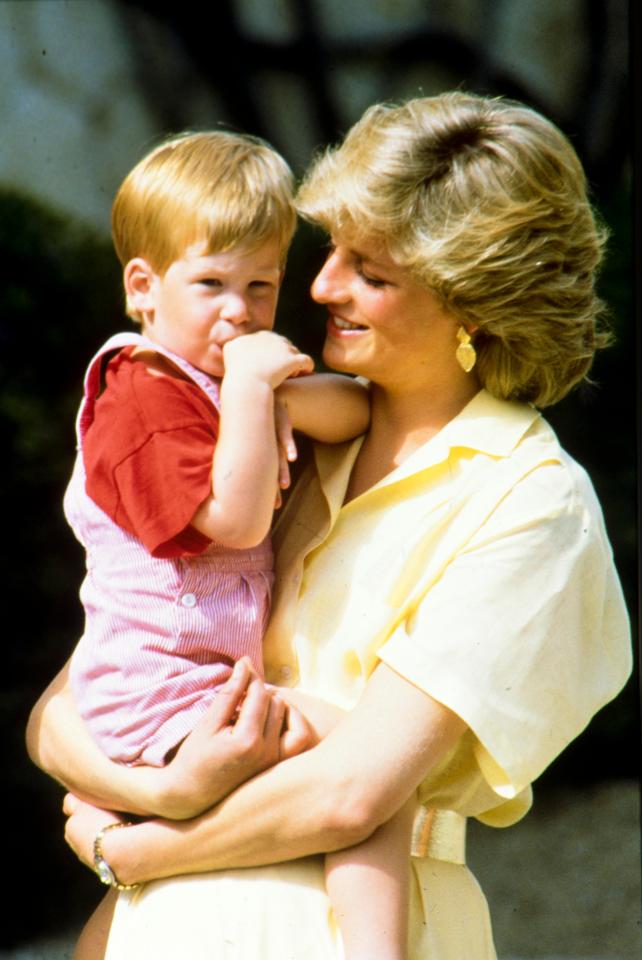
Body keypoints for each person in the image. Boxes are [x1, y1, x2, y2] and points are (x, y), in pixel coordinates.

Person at [28, 92, 632, 960]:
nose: (320, 286)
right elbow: (62, 707)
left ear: (475, 305)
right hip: (166, 921)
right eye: (334, 249)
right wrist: (155, 792)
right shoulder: (274, 427)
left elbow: (353, 793)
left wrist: (132, 847)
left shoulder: (532, 503)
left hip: (340, 929)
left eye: (372, 273)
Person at [49, 129, 416, 960]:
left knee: (183, 874)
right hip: (160, 687)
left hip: (192, 680)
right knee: (371, 770)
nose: (240, 312)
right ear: (144, 287)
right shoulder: (136, 393)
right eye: (211, 284)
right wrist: (253, 389)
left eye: (261, 286)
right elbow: (238, 521)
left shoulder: (218, 385)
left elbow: (356, 412)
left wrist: (273, 399)